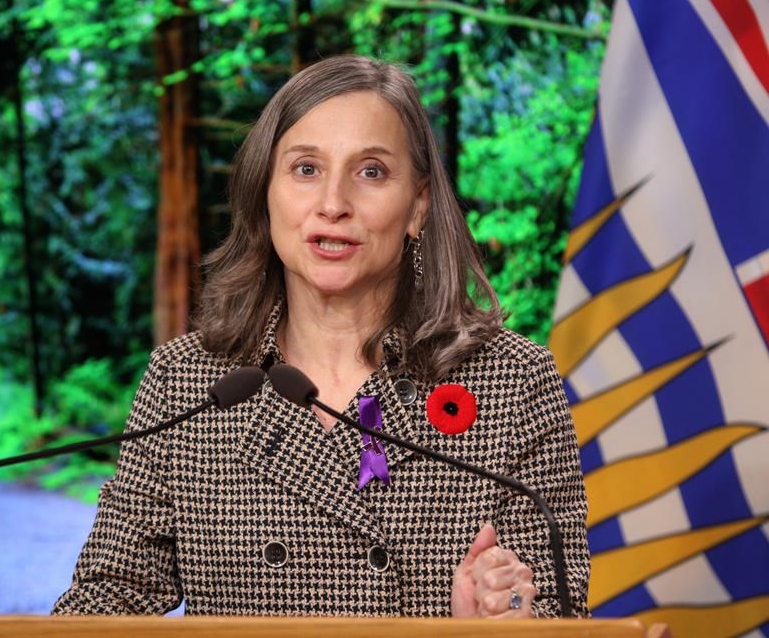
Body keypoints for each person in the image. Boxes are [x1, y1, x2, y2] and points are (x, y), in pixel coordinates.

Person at [53, 55, 590, 618]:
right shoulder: (184, 382)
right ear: (267, 192)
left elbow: (564, 614)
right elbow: (103, 600)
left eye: (371, 172)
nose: (333, 204)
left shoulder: (513, 381)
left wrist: (496, 624)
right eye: (306, 169)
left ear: (419, 206)